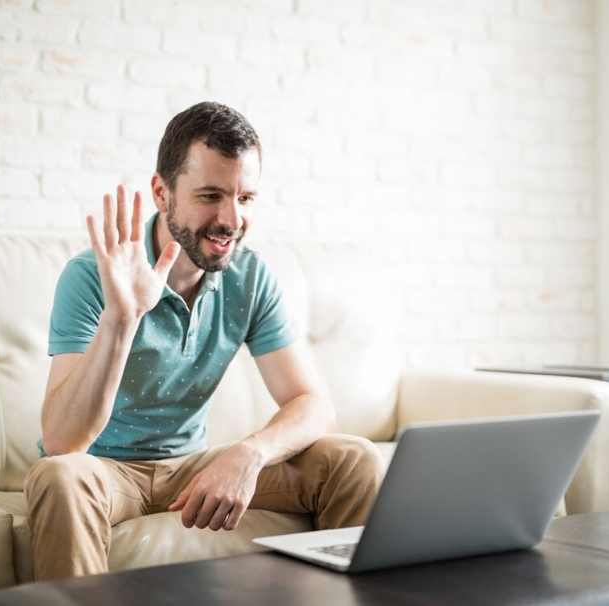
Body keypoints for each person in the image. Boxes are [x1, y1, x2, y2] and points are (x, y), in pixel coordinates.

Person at [24, 101, 385, 580]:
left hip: (191, 465)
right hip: (103, 472)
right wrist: (121, 317)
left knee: (354, 458)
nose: (231, 219)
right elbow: (63, 442)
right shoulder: (91, 277)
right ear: (162, 192)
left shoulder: (249, 276)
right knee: (59, 477)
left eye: (246, 198)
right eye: (211, 195)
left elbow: (313, 404)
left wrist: (248, 454)